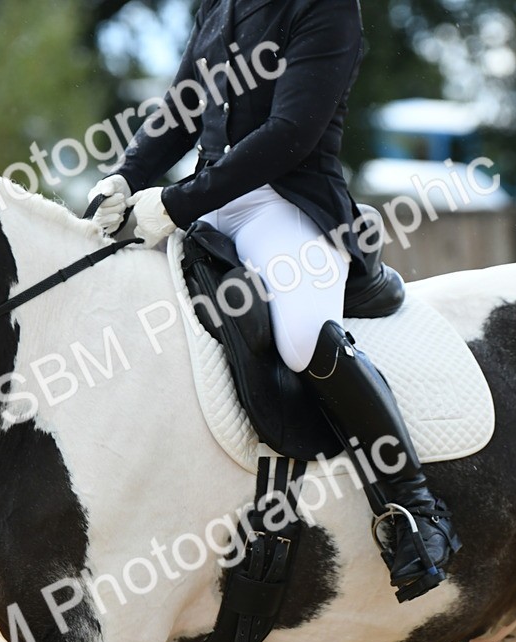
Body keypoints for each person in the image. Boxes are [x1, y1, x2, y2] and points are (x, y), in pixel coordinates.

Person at [88, 0, 460, 602]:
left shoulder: (326, 8)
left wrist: (177, 203)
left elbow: (291, 134)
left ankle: (414, 508)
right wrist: (128, 176)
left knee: (300, 338)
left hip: (283, 204)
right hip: (209, 200)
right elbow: (184, 105)